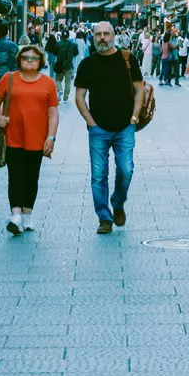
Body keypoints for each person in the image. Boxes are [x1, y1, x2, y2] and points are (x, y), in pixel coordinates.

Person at [75, 22, 145, 234]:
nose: (102, 38)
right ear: (93, 37)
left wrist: (134, 117)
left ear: (114, 36)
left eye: (106, 34)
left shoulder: (127, 59)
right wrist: (90, 121)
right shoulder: (87, 63)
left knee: (126, 169)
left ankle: (118, 201)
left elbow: (139, 89)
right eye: (98, 34)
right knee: (98, 174)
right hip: (99, 128)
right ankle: (104, 218)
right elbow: (79, 95)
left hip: (125, 126)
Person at [0, 41, 59, 235]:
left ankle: (27, 215)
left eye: (34, 58)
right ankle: (15, 215)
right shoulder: (9, 78)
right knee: (15, 176)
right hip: (14, 136)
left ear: (40, 61)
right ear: (19, 60)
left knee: (32, 177)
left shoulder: (48, 83)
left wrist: (51, 137)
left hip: (37, 138)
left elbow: (53, 112)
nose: (29, 61)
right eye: (25, 58)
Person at [50, 31, 78, 103]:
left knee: (58, 80)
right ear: (68, 36)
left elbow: (55, 53)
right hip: (69, 65)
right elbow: (76, 53)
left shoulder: (58, 44)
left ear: (61, 36)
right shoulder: (73, 45)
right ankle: (66, 98)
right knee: (68, 82)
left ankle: (60, 90)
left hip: (60, 64)